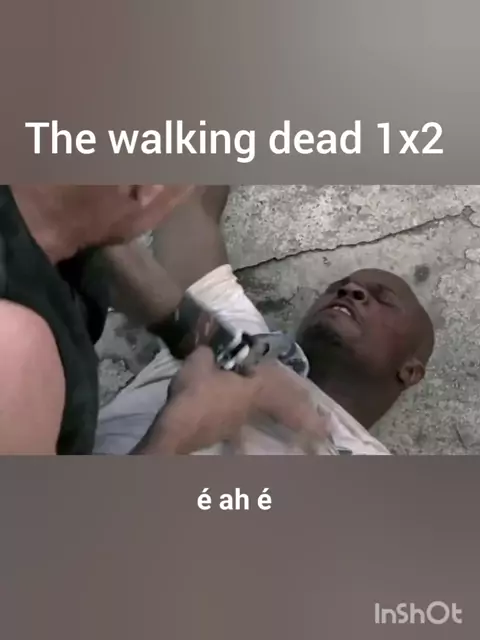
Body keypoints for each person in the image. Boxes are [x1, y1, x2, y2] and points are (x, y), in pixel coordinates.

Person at [95, 187, 435, 455]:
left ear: (410, 371)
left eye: (383, 299)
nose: (350, 290)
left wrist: (177, 434)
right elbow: (188, 204)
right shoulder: (228, 333)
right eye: (337, 287)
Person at [0, 184, 328, 454]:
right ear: (148, 189)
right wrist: (179, 434)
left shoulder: (48, 207)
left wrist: (220, 345)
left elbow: (99, 238)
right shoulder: (16, 355)